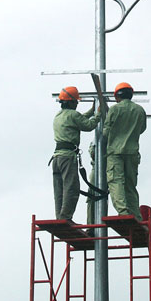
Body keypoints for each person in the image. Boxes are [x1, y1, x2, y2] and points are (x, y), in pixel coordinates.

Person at [52, 86, 100, 222]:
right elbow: (88, 125)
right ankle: (66, 217)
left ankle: (60, 218)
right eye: (76, 101)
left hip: (57, 159)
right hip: (67, 158)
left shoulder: (59, 115)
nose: (77, 104)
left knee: (59, 190)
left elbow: (79, 119)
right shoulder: (73, 115)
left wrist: (92, 111)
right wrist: (98, 115)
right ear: (71, 102)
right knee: (71, 188)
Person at [103, 82, 147, 221]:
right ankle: (136, 216)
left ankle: (123, 213)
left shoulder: (114, 110)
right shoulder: (140, 110)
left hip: (115, 153)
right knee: (130, 186)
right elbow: (142, 129)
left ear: (117, 96)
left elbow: (106, 132)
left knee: (116, 182)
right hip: (132, 153)